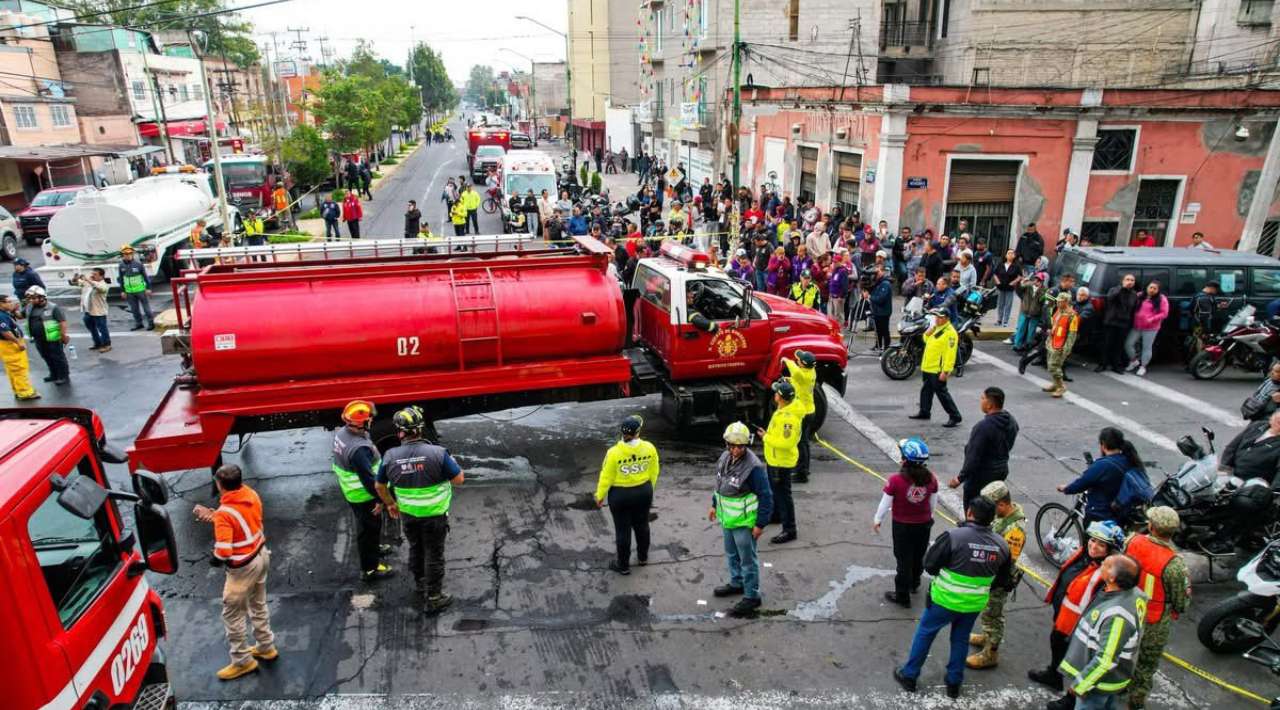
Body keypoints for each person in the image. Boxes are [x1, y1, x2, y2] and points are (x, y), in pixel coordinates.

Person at [893, 497, 1012, 700]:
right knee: (960, 639)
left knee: (925, 633)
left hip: (943, 601)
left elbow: (929, 565)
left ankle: (910, 675)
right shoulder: (1002, 545)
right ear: (991, 518)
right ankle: (954, 682)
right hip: (974, 604)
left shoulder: (953, 536)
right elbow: (1003, 580)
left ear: (970, 514)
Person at [375, 406, 465, 613]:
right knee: (434, 554)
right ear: (420, 429)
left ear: (399, 432)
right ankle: (434, 596)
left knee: (416, 548)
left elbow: (379, 486)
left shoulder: (389, 456)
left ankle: (420, 582)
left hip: (408, 515)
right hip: (434, 516)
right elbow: (459, 480)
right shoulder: (438, 453)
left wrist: (390, 504)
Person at [191, 464, 277, 681]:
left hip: (242, 569)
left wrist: (214, 560)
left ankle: (242, 661)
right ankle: (266, 646)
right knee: (258, 604)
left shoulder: (224, 514)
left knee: (233, 615)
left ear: (219, 485)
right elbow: (239, 519)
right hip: (261, 555)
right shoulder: (250, 494)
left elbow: (223, 551)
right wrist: (214, 515)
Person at [1028, 520, 1127, 698]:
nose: (1094, 546)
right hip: (1064, 619)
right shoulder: (1083, 555)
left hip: (1080, 628)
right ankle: (1054, 674)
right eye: (1093, 540)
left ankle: (1072, 699)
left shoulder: (1106, 575)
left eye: (1101, 544)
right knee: (1057, 645)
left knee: (1079, 662)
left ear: (1110, 550)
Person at [1056, 555, 1145, 710]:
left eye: (1107, 564)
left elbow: (1106, 660)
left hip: (1098, 685)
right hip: (1109, 681)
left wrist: (1081, 684)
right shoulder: (1132, 594)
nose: (1102, 563)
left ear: (1112, 577)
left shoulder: (1117, 615)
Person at [1125, 506, 1191, 710]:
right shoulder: (1175, 564)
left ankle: (1115, 683)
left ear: (1150, 526)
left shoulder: (1132, 541)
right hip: (1154, 619)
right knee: (1146, 664)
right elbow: (1181, 602)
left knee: (1121, 650)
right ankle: (1135, 702)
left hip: (1126, 606)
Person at [710, 422, 773, 616]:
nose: (736, 450)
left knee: (747, 560)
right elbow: (720, 483)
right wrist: (714, 504)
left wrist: (760, 524)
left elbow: (766, 496)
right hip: (728, 519)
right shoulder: (724, 457)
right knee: (731, 554)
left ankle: (752, 596)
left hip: (744, 523)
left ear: (746, 445)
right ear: (727, 444)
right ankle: (737, 582)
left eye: (740, 446)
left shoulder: (753, 467)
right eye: (732, 445)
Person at [966, 481, 1027, 670]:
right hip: (990, 574)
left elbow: (1007, 560)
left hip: (999, 579)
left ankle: (991, 652)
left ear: (1002, 504)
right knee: (988, 611)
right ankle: (986, 635)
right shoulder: (1003, 516)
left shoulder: (1015, 529)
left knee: (994, 614)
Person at [332, 400, 395, 582]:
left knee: (369, 528)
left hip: (353, 492)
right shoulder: (359, 449)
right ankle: (370, 569)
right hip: (364, 495)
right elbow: (369, 481)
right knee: (368, 529)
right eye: (369, 419)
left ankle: (374, 549)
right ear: (363, 423)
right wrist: (383, 500)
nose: (371, 421)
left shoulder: (343, 433)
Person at [874, 437, 937, 608]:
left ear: (905, 459)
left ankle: (902, 596)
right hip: (924, 524)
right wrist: (928, 517)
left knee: (903, 559)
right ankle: (914, 583)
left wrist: (878, 519)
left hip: (902, 526)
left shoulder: (896, 480)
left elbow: (885, 502)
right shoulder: (931, 479)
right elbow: (933, 503)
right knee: (918, 555)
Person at [595, 415, 661, 575]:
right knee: (642, 525)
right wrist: (649, 488)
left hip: (620, 495)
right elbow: (654, 471)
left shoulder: (614, 452)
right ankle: (643, 558)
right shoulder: (649, 448)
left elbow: (606, 477)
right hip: (643, 491)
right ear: (638, 431)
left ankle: (623, 565)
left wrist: (600, 495)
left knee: (623, 530)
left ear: (622, 432)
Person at [947, 387, 1018, 506]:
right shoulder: (1011, 421)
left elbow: (973, 456)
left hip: (981, 476)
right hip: (1001, 470)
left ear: (990, 405)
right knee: (992, 505)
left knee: (974, 510)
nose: (980, 400)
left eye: (983, 398)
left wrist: (960, 478)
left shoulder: (983, 427)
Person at [1058, 427, 1143, 525]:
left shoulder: (1101, 466)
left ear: (1103, 445)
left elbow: (1081, 483)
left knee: (1090, 535)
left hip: (1103, 514)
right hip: (1125, 512)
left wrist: (1066, 488)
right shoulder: (1130, 460)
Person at [756, 379, 802, 544]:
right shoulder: (783, 410)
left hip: (780, 462)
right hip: (775, 460)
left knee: (783, 496)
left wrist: (766, 437)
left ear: (781, 397)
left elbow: (786, 443)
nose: (774, 393)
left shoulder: (788, 418)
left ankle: (790, 530)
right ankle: (776, 516)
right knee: (776, 492)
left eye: (776, 392)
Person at [909, 308, 963, 427]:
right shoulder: (936, 328)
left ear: (947, 319)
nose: (937, 319)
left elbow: (950, 354)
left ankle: (955, 416)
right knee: (926, 390)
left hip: (937, 369)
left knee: (942, 393)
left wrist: (946, 371)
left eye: (940, 317)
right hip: (928, 366)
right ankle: (924, 411)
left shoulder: (950, 333)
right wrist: (928, 331)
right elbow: (926, 340)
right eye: (936, 317)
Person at [21, 286, 69, 386]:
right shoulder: (29, 307)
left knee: (57, 357)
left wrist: (63, 335)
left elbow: (62, 322)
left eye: (33, 298)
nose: (31, 300)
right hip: (38, 338)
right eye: (30, 298)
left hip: (53, 338)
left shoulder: (53, 307)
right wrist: (13, 310)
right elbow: (21, 316)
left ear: (42, 297)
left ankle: (63, 376)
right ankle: (54, 374)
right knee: (46, 356)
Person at [782, 350, 817, 484]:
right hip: (809, 411)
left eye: (799, 360)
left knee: (801, 442)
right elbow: (797, 379)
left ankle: (801, 473)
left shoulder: (802, 374)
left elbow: (796, 372)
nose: (797, 360)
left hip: (803, 413)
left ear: (802, 364)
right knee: (804, 442)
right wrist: (788, 380)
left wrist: (786, 360)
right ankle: (804, 468)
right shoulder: (810, 372)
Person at [1219, 409, 1280, 485]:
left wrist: (1272, 492)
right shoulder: (1257, 426)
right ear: (1271, 420)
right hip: (1230, 473)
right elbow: (1231, 448)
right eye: (1278, 422)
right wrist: (1224, 468)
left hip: (1253, 483)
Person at [1125, 281, 1168, 377]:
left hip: (1151, 328)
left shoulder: (1162, 299)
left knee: (1146, 347)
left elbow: (1164, 313)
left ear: (1158, 290)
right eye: (1150, 287)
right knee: (1128, 344)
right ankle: (1134, 361)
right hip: (1137, 326)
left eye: (1154, 288)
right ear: (1147, 287)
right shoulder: (1140, 295)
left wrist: (1152, 319)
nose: (1152, 290)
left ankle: (1143, 366)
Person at [1097, 274, 1138, 374]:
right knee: (1107, 344)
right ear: (1123, 281)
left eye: (1132, 280)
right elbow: (1110, 298)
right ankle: (1103, 364)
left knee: (1119, 345)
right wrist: (1122, 288)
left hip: (1124, 323)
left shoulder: (1134, 294)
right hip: (1111, 321)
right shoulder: (1114, 290)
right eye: (1127, 279)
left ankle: (1116, 365)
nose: (1130, 282)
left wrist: (1130, 323)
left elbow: (1133, 309)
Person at [1044, 293, 1081, 397]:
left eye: (1061, 301)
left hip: (1061, 345)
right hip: (1053, 341)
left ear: (1066, 302)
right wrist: (1051, 332)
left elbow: (1072, 335)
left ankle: (1061, 387)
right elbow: (1056, 325)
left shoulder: (1072, 316)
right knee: (1050, 364)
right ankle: (1055, 384)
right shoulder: (1058, 310)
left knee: (1053, 366)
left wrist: (1067, 348)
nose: (1058, 302)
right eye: (1058, 300)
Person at [0, 294, 36, 400]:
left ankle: (18, 390)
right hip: (10, 344)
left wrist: (13, 310)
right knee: (19, 368)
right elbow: (5, 332)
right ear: (1, 303)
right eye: (8, 302)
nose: (11, 303)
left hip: (9, 344)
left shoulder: (4, 313)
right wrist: (17, 342)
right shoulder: (0, 316)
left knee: (13, 369)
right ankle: (25, 393)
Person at [117, 245, 156, 330]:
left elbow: (145, 277)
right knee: (134, 310)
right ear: (123, 255)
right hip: (129, 292)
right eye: (126, 254)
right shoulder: (121, 266)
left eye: (130, 254)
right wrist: (122, 291)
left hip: (141, 290)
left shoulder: (138, 264)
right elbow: (121, 279)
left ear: (133, 254)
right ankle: (139, 323)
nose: (128, 255)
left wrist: (148, 288)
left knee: (146, 309)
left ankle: (151, 323)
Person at [71, 268, 111, 353]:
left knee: (102, 329)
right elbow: (75, 283)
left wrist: (88, 280)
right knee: (91, 327)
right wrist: (75, 279)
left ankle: (107, 344)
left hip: (99, 312)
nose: (92, 275)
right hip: (88, 311)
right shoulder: (88, 283)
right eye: (92, 273)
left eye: (95, 274)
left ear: (102, 276)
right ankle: (98, 343)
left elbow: (99, 287)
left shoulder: (103, 285)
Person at [1012, 272, 1048, 350]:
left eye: (1039, 280)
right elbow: (1019, 291)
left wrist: (1039, 290)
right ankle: (1017, 345)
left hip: (1035, 314)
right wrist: (1019, 282)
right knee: (1021, 329)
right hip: (1025, 312)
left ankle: (1027, 347)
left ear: (1042, 281)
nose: (1036, 281)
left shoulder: (1044, 290)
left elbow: (1042, 300)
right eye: (1036, 279)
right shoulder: (1028, 286)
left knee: (1031, 332)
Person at [866, 265, 894, 351]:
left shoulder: (885, 283)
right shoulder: (877, 282)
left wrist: (869, 297)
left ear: (882, 271)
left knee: (884, 330)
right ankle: (878, 345)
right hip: (877, 310)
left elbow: (881, 299)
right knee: (877, 329)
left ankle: (886, 347)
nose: (875, 274)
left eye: (877, 272)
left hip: (884, 311)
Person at [992, 249, 1021, 328]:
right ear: (1005, 255)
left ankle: (1005, 321)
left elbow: (1019, 276)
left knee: (1008, 305)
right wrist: (997, 281)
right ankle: (999, 319)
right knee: (1000, 304)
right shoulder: (1001, 264)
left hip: (1010, 288)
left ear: (1014, 256)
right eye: (1008, 253)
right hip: (1001, 287)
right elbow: (995, 273)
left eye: (1012, 253)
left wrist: (1013, 282)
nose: (1010, 255)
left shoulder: (1016, 266)